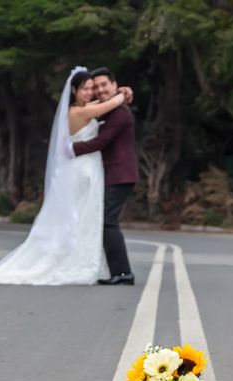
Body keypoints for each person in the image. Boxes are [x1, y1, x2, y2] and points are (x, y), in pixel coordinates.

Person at [0, 67, 128, 286]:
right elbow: (111, 104)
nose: (90, 93)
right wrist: (123, 92)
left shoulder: (82, 108)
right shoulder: (78, 112)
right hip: (83, 170)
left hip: (87, 168)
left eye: (92, 89)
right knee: (81, 216)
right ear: (74, 90)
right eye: (85, 89)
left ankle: (84, 260)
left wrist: (118, 94)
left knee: (86, 217)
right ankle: (75, 262)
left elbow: (100, 105)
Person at [70, 67, 139, 286]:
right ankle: (119, 272)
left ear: (113, 84)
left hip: (121, 174)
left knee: (108, 222)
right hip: (111, 174)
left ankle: (123, 273)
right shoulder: (108, 109)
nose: (99, 90)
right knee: (105, 222)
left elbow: (101, 142)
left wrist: (68, 149)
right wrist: (124, 92)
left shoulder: (120, 113)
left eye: (103, 85)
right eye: (95, 86)